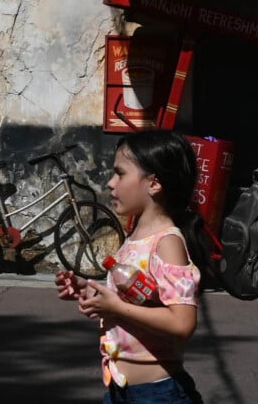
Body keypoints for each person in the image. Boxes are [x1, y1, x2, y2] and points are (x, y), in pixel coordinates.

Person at [55, 130, 204, 403]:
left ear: (154, 183)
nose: (111, 183)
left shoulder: (166, 243)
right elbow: (138, 302)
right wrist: (90, 293)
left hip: (158, 394)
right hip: (120, 391)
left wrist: (115, 308)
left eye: (120, 174)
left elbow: (182, 323)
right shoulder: (133, 238)